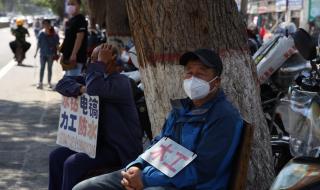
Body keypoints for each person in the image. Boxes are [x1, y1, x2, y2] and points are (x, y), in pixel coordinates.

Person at [73, 48, 243, 190]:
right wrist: (137, 165)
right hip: (153, 173)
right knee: (84, 188)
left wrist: (145, 180)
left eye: (201, 73)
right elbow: (160, 142)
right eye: (189, 73)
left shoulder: (224, 117)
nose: (193, 79)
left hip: (188, 185)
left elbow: (202, 171)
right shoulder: (182, 108)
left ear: (216, 82)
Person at [49, 44, 143, 190]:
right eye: (92, 60)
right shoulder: (93, 79)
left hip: (118, 149)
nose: (92, 64)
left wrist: (98, 67)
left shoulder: (121, 83)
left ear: (110, 60)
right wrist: (80, 89)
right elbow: (62, 83)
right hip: (95, 144)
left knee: (72, 164)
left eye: (97, 60)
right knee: (56, 156)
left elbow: (94, 89)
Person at [60, 0, 87, 76]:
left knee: (73, 83)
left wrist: (74, 54)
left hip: (76, 59)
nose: (70, 6)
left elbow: (79, 38)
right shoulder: (71, 20)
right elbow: (67, 39)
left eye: (72, 4)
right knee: (68, 82)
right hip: (68, 58)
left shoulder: (80, 19)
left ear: (78, 5)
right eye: (68, 4)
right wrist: (63, 54)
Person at [34, 19, 59, 89]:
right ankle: (40, 83)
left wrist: (59, 53)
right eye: (44, 24)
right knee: (42, 68)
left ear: (50, 25)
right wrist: (36, 53)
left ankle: (49, 82)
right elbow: (38, 44)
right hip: (43, 54)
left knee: (49, 69)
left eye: (47, 24)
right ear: (43, 25)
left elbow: (57, 45)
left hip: (51, 54)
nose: (46, 25)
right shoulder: (41, 34)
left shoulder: (54, 34)